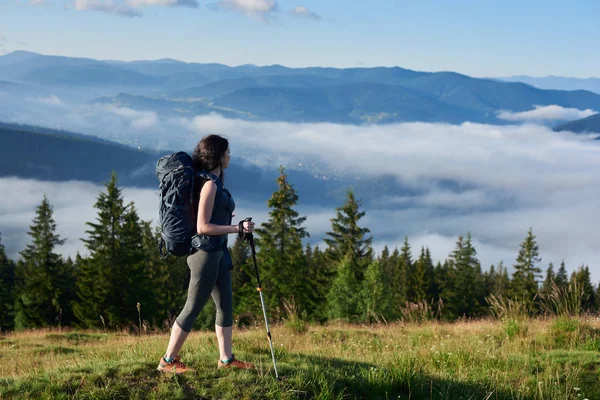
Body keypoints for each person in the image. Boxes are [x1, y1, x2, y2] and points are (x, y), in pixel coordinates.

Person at [157, 134, 256, 374]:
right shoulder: (210, 184)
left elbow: (210, 216)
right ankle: (167, 361)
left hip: (217, 252)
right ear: (219, 157)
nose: (230, 156)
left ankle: (226, 359)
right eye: (227, 152)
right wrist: (236, 228)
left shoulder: (209, 181)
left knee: (225, 306)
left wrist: (226, 219)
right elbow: (202, 227)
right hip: (204, 254)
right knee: (192, 308)